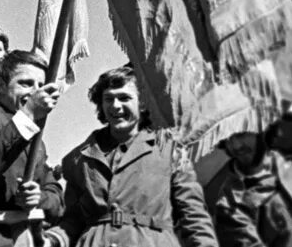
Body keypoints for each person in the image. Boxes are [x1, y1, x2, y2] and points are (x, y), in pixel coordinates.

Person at [44, 66, 216, 247]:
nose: (115, 106)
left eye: (124, 98)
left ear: (142, 103)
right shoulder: (78, 159)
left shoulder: (169, 150)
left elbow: (193, 216)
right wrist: (52, 239)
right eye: (108, 99)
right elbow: (73, 221)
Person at [0, 50, 64, 247]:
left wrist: (38, 198)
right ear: (0, 85)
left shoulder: (35, 138)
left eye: (40, 85)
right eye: (26, 83)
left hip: (25, 238)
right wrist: (29, 113)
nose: (35, 92)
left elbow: (57, 200)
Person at [212, 103, 292, 247]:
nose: (236, 145)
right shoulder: (230, 204)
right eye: (227, 138)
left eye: (241, 133)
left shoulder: (282, 162)